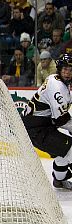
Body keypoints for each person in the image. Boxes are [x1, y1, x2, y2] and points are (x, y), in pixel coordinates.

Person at [21, 54, 72, 190]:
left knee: (66, 150)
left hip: (42, 125)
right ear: (60, 69)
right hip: (36, 129)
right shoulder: (58, 87)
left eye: (71, 70)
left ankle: (59, 180)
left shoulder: (55, 80)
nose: (68, 73)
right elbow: (60, 120)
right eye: (65, 69)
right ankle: (60, 179)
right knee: (70, 151)